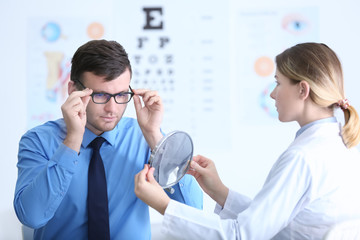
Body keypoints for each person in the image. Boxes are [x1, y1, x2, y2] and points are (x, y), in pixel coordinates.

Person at [134, 42, 360, 239]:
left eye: (278, 83)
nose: (272, 94)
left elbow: (242, 235)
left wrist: (164, 205)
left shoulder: (303, 157)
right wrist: (220, 192)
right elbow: (284, 224)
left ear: (302, 89)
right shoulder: (336, 144)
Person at [14, 39, 203, 239]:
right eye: (101, 95)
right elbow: (32, 217)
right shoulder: (38, 141)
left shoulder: (143, 137)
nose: (112, 108)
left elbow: (192, 213)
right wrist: (72, 140)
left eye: (121, 95)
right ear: (73, 90)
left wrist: (155, 136)